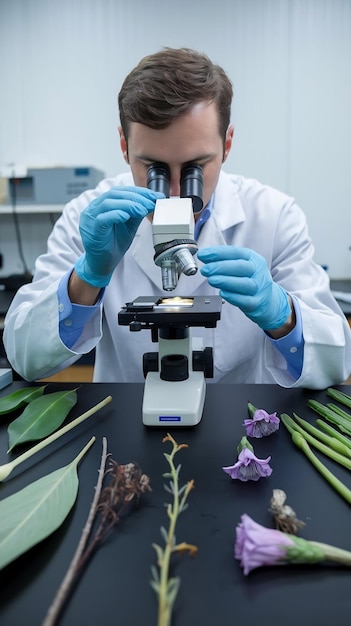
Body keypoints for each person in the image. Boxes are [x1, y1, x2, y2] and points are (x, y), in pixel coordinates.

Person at [4, 48, 351, 388]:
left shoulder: (275, 216)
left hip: (241, 424)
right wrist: (87, 277)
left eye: (194, 169)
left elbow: (337, 362)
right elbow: (26, 357)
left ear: (227, 144)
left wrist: (283, 315)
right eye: (152, 168)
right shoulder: (89, 215)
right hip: (125, 422)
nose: (174, 192)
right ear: (124, 146)